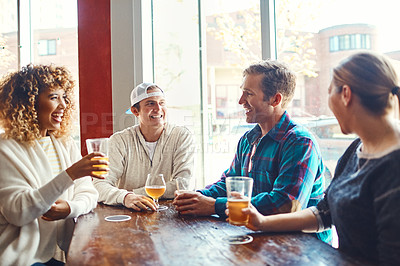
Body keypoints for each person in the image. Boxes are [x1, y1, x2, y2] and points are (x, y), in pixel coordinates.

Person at [228, 52, 400, 264]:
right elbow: (324, 214)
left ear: (345, 94)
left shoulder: (394, 167)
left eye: (329, 93)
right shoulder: (356, 149)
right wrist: (262, 223)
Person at [174, 60, 331, 243]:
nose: (241, 101)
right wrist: (196, 198)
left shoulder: (300, 142)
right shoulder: (248, 139)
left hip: (303, 248)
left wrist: (213, 206)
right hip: (261, 240)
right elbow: (228, 183)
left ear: (276, 99)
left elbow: (286, 205)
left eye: (248, 94)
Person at [0, 64, 105, 265]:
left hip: (64, 253)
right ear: (29, 103)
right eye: (54, 97)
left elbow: (89, 193)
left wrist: (70, 208)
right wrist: (70, 175)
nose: (64, 105)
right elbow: (19, 212)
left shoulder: (64, 143)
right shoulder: (5, 148)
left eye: (64, 97)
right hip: (24, 258)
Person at [93, 82, 194, 211]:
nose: (158, 108)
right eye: (150, 103)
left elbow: (183, 185)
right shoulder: (119, 141)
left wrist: (133, 193)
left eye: (162, 102)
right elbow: (99, 185)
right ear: (135, 111)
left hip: (173, 214)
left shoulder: (181, 136)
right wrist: (126, 197)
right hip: (129, 214)